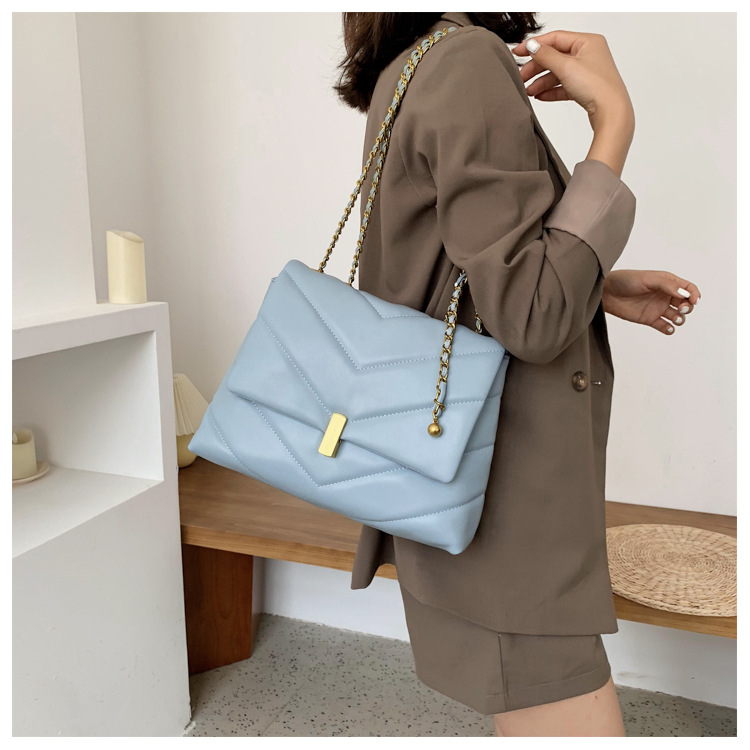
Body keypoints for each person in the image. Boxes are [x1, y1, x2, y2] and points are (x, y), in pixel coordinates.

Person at [333, 12, 701, 737]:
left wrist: (597, 285)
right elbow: (532, 316)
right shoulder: (465, 60)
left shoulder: (413, 61)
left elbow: (457, 272)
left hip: (454, 482)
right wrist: (614, 121)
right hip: (503, 508)